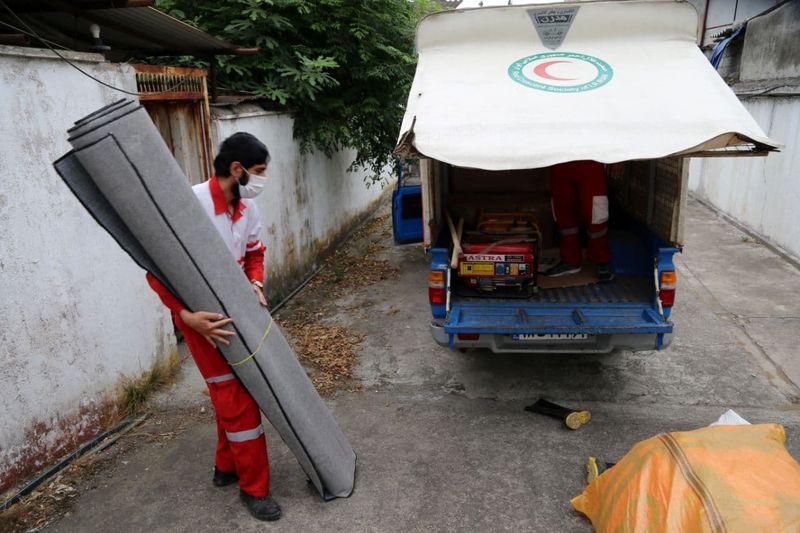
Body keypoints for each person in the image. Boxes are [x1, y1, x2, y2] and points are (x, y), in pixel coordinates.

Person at [145, 132, 281, 521]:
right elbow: (157, 268)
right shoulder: (192, 204)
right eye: (258, 172)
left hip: (235, 308)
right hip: (202, 318)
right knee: (236, 398)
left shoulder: (247, 210)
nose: (262, 180)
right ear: (236, 169)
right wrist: (186, 317)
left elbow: (255, 252)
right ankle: (254, 490)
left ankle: (226, 465)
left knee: (236, 389)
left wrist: (255, 283)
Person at [544, 160, 613, 281]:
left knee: (595, 213)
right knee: (563, 212)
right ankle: (570, 261)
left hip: (591, 160)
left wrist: (618, 158)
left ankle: (602, 261)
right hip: (560, 160)